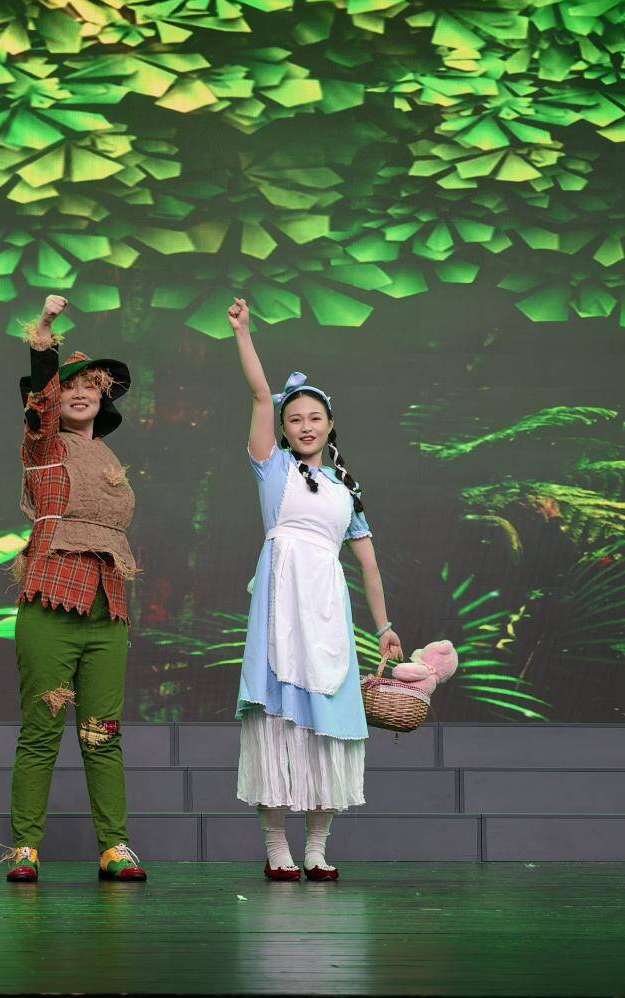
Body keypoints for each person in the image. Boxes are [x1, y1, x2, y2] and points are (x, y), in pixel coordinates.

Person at [227, 296, 402, 882]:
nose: (305, 425)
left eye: (315, 418)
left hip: (327, 611)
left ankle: (319, 846)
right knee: (277, 721)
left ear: (330, 425)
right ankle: (277, 844)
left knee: (329, 722)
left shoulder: (345, 489)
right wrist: (244, 333)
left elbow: (369, 565)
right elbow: (260, 394)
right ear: (283, 427)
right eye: (295, 418)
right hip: (281, 607)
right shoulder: (272, 468)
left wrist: (384, 626)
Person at [3, 294, 146, 883]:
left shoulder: (109, 456)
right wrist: (45, 333)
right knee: (42, 730)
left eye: (91, 385)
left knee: (102, 734)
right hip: (52, 599)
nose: (80, 392)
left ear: (104, 398)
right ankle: (25, 847)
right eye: (70, 385)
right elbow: (40, 401)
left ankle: (115, 846)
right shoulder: (45, 445)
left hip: (107, 608)